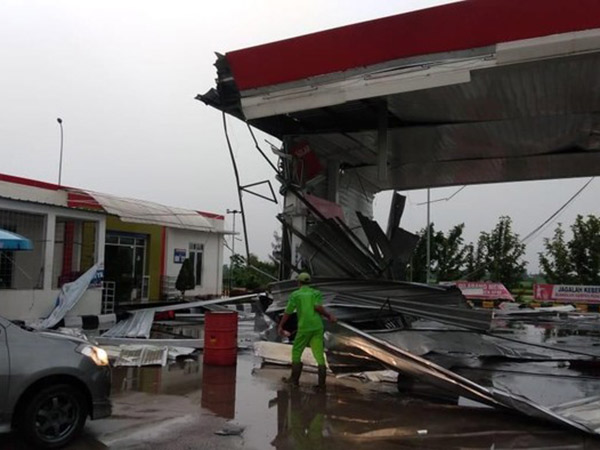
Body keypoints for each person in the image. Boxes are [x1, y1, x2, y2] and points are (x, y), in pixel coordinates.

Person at [277, 272, 336, 390]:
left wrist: (281, 325)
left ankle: (294, 381)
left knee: (297, 351)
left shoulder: (296, 295)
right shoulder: (316, 293)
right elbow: (318, 307)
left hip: (304, 327)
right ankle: (321, 385)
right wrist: (329, 316)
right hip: (317, 327)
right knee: (319, 354)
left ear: (298, 282)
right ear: (309, 282)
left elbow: (288, 312)